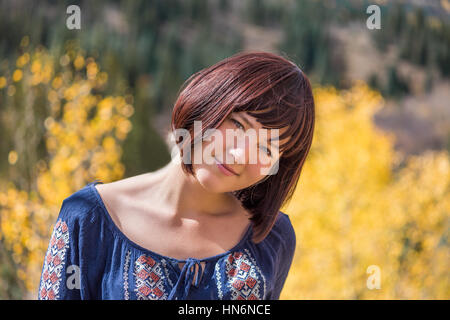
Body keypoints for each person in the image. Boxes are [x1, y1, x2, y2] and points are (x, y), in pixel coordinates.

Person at [37, 51, 315, 300]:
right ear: (208, 103)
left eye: (267, 148)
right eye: (239, 125)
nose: (240, 156)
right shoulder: (87, 216)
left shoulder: (271, 237)